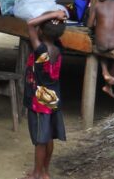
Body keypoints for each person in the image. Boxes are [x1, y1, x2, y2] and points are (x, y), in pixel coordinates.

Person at [22, 10, 68, 179]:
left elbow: (30, 23)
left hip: (39, 101)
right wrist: (56, 16)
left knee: (41, 140)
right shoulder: (58, 48)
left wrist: (53, 14)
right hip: (53, 98)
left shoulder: (41, 49)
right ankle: (45, 172)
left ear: (41, 30)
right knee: (48, 137)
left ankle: (36, 173)